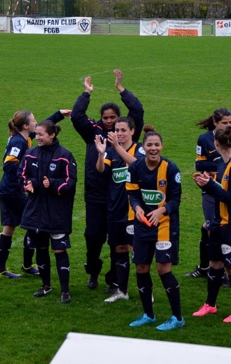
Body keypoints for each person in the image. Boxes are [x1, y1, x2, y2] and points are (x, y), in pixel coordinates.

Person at [71, 69, 144, 293]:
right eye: (106, 118)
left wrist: (121, 88)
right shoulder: (93, 133)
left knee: (117, 240)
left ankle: (114, 279)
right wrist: (86, 93)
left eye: (114, 118)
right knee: (93, 236)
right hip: (95, 194)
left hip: (120, 197)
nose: (110, 122)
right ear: (101, 119)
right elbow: (76, 116)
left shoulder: (126, 133)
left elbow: (138, 110)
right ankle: (93, 270)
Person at [0, 109, 70, 279]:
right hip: (14, 191)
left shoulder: (24, 137)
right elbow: (8, 166)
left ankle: (1, 269)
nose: (36, 123)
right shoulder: (19, 143)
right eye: (33, 120)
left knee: (9, 226)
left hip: (7, 189)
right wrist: (26, 173)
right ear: (26, 126)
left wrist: (59, 114)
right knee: (32, 223)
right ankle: (27, 265)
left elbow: (44, 126)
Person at [192, 126, 231, 323]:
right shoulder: (222, 164)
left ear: (216, 144)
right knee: (215, 263)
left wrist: (209, 186)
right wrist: (207, 183)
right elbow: (221, 191)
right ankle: (210, 304)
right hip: (219, 222)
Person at [126, 126, 184, 331]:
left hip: (165, 226)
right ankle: (148, 314)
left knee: (163, 269)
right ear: (143, 147)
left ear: (162, 146)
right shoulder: (135, 168)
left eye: (156, 145)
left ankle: (177, 317)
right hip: (143, 225)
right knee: (141, 267)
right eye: (149, 145)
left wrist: (162, 211)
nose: (153, 148)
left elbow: (176, 199)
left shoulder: (171, 169)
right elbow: (132, 194)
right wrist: (138, 208)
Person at [18, 120, 77, 303]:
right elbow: (21, 175)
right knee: (41, 249)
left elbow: (71, 181)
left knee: (59, 250)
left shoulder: (65, 155)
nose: (37, 137)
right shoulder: (30, 154)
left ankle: (65, 290)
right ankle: (45, 285)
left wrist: (53, 184)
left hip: (56, 213)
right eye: (36, 134)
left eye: (41, 134)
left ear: (52, 135)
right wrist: (29, 184)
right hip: (36, 212)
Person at [186, 108, 231, 279]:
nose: (229, 125)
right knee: (212, 227)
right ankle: (208, 268)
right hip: (210, 190)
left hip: (230, 189)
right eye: (225, 123)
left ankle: (222, 269)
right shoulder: (204, 139)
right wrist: (223, 166)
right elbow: (199, 166)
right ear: (215, 123)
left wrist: (217, 166)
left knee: (219, 228)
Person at [95, 117, 145, 303]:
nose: (120, 133)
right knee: (119, 249)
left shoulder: (139, 149)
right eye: (117, 130)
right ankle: (122, 290)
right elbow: (101, 170)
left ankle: (146, 290)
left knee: (137, 250)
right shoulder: (110, 151)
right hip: (115, 208)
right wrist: (101, 154)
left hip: (134, 210)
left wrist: (116, 147)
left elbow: (137, 165)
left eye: (123, 130)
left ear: (132, 131)